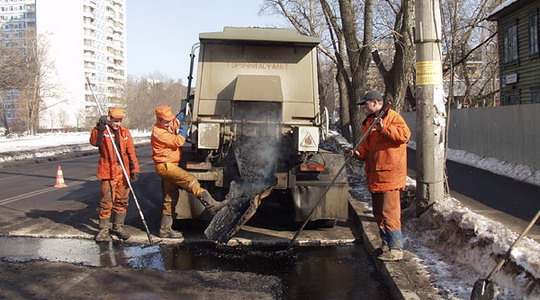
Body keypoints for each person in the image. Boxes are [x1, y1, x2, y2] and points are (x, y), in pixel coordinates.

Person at [350, 90, 411, 261]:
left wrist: (384, 129)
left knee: (389, 212)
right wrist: (357, 153)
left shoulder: (392, 117)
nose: (364, 108)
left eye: (366, 104)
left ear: (376, 102)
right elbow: (366, 148)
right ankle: (385, 245)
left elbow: (404, 136)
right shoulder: (369, 122)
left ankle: (396, 249)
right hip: (375, 174)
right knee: (378, 212)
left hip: (390, 174)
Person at [151, 105, 227, 238]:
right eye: (166, 120)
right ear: (159, 119)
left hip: (169, 165)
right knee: (191, 181)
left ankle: (165, 229)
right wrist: (185, 126)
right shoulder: (158, 132)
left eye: (170, 119)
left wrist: (186, 110)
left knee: (170, 197)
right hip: (165, 166)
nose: (169, 122)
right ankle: (211, 204)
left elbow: (176, 120)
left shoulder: (167, 124)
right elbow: (178, 141)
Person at [89, 107, 140, 242]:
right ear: (109, 119)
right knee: (107, 201)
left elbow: (131, 153)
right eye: (115, 121)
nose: (117, 124)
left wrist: (135, 170)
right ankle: (103, 230)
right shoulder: (103, 131)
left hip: (123, 171)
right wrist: (99, 127)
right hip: (108, 171)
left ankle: (118, 227)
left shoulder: (125, 132)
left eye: (119, 121)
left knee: (122, 201)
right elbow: (95, 142)